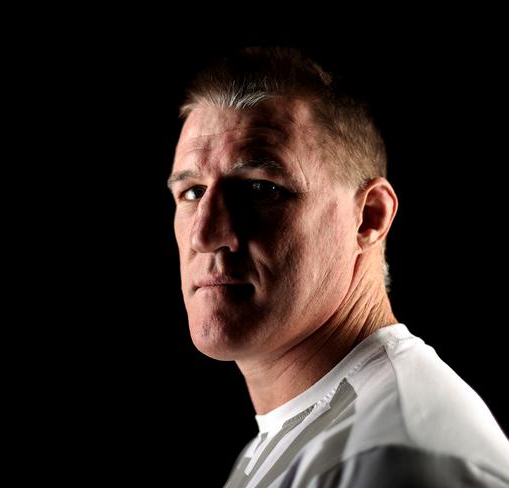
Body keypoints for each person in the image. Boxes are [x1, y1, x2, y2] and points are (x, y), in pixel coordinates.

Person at [167, 47, 509, 487]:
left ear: (369, 217)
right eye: (193, 193)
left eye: (259, 188)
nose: (205, 234)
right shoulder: (308, 437)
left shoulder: (394, 457)